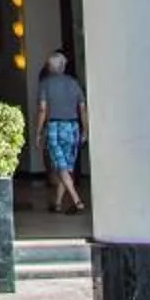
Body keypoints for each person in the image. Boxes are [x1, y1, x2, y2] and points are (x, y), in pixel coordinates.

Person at [34, 51, 86, 215]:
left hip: (55, 127)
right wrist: (85, 129)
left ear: (50, 67)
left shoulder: (45, 84)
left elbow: (43, 109)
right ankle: (56, 203)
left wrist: (38, 132)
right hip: (73, 127)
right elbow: (82, 109)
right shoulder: (74, 83)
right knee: (66, 167)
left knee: (61, 167)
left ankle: (77, 201)